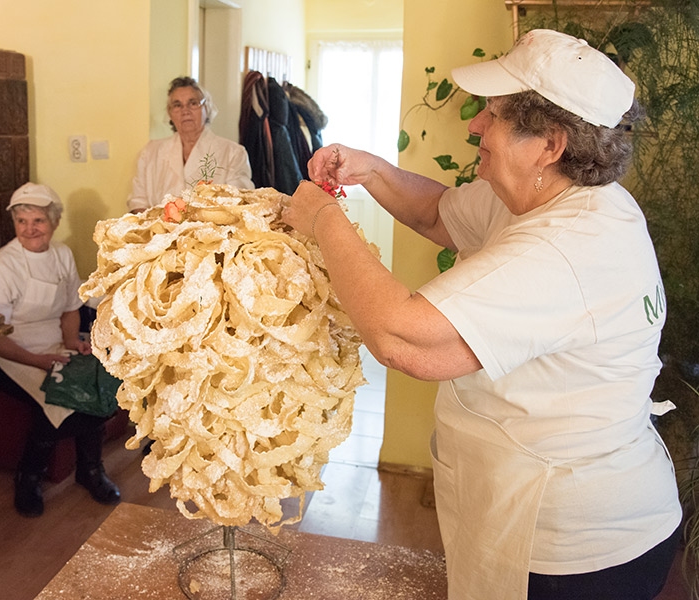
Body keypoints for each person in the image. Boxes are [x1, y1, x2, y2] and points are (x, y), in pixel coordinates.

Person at [282, 29, 681, 600]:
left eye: (491, 116)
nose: (473, 126)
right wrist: (369, 170)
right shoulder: (547, 196)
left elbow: (404, 340)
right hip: (524, 508)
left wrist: (323, 219)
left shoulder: (568, 247)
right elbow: (436, 212)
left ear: (549, 144)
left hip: (578, 553)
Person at [0, 182, 120, 517]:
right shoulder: (3, 265)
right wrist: (37, 361)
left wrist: (73, 342)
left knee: (103, 383)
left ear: (54, 223)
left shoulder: (62, 255)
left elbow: (71, 308)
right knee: (58, 399)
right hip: (8, 352)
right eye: (22, 221)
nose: (30, 229)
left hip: (54, 344)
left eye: (38, 220)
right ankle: (29, 476)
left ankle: (91, 470)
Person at [126, 76, 254, 213]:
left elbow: (239, 203)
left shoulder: (232, 153)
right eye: (177, 105)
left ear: (207, 108)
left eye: (193, 103)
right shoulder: (151, 152)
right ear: (169, 113)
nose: (185, 111)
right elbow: (138, 202)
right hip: (159, 231)